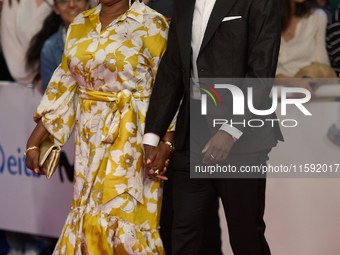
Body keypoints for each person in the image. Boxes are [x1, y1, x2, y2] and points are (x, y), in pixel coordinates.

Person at [25, 0, 172, 254]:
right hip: (88, 143)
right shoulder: (80, 23)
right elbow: (64, 86)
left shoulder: (152, 23)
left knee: (125, 224)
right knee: (87, 217)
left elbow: (170, 87)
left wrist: (166, 143)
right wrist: (34, 141)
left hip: (133, 143)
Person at [143, 0, 283, 254]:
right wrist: (152, 136)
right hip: (192, 131)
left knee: (245, 237)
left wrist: (230, 129)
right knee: (184, 233)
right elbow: (172, 68)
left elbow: (261, 71)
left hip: (244, 134)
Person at [26, 0, 91, 94]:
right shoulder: (50, 48)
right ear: (56, 8)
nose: (71, 5)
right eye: (64, 1)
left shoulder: (105, 38)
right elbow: (50, 92)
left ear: (87, 4)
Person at [276, 0, 335, 97]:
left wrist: (303, 81)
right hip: (273, 93)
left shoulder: (317, 16)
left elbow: (322, 65)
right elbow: (258, 70)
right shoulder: (263, 18)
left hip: (311, 91)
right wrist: (291, 81)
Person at [1, 0, 52, 85]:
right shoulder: (14, 2)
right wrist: (36, 78)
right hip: (22, 80)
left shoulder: (62, 3)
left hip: (60, 77)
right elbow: (10, 43)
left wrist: (49, 75)